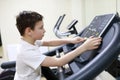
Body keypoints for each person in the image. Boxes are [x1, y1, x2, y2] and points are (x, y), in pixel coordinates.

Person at [14, 11, 102, 80]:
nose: (44, 31)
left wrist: (71, 40)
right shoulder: (26, 51)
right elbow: (58, 62)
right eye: (41, 28)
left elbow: (49, 42)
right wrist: (84, 47)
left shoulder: (30, 41)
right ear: (29, 31)